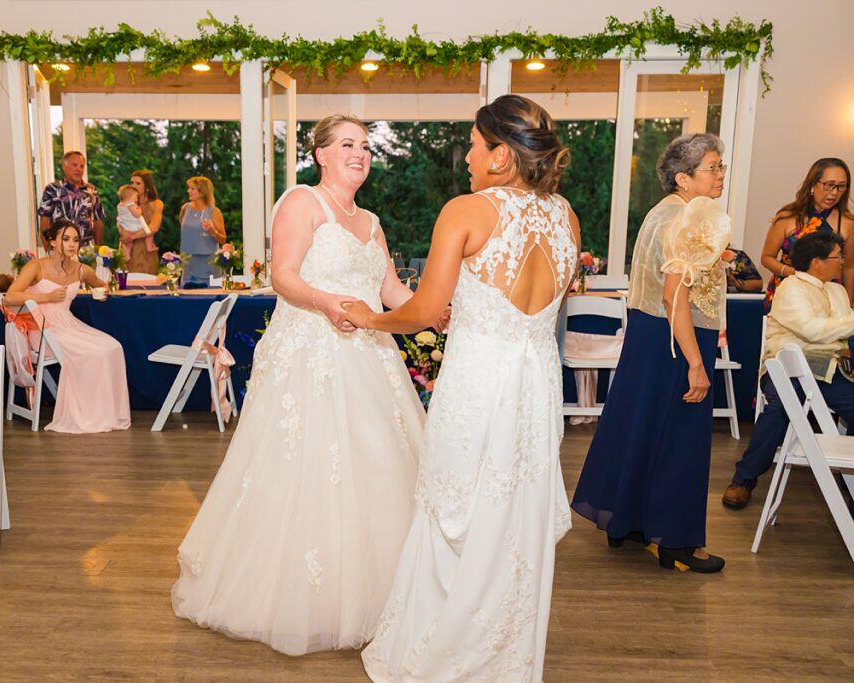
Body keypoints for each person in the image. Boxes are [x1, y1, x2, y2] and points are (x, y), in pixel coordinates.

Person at [172, 115, 428, 656]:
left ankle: (381, 594)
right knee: (307, 467)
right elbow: (283, 275)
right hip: (313, 352)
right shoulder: (301, 202)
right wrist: (326, 302)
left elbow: (389, 289)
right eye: (347, 144)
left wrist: (434, 311)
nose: (359, 153)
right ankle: (296, 597)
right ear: (321, 154)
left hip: (369, 356)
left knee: (377, 465)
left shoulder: (371, 221)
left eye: (365, 145)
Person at [342, 95, 577, 682]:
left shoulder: (466, 211)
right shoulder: (567, 217)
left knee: (456, 509)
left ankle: (440, 653)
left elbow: (424, 310)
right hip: (535, 387)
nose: (467, 156)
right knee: (514, 516)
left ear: (500, 155)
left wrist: (368, 318)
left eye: (473, 145)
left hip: (477, 382)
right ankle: (504, 656)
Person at [571, 132, 731, 573]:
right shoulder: (689, 219)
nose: (720, 174)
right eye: (712, 167)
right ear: (684, 177)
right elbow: (674, 295)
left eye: (721, 166)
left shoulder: (662, 212)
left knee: (639, 426)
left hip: (649, 336)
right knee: (682, 439)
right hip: (677, 339)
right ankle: (677, 541)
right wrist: (696, 363)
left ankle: (629, 522)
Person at [723, 232, 854, 508]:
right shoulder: (791, 287)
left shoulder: (838, 291)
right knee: (780, 407)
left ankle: (849, 482)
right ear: (817, 262)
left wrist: (838, 335)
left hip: (829, 370)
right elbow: (812, 330)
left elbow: (834, 334)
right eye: (838, 256)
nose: (843, 261)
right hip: (787, 370)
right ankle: (743, 480)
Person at [4, 219, 130, 434]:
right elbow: (10, 297)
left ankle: (105, 413)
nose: (72, 244)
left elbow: (103, 285)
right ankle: (87, 415)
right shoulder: (36, 266)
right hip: (42, 328)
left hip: (69, 323)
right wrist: (46, 297)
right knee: (94, 352)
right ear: (53, 242)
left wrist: (101, 293)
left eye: (76, 240)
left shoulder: (82, 270)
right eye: (66, 239)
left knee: (113, 347)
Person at [761, 158, 853, 309]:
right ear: (812, 184)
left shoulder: (848, 222)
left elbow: (849, 267)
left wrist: (847, 305)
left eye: (841, 186)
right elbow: (766, 258)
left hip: (829, 298)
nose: (834, 192)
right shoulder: (787, 216)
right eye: (829, 185)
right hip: (789, 295)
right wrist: (791, 272)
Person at [37, 151, 105, 248]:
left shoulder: (92, 190)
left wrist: (97, 249)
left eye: (81, 166)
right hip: (61, 248)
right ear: (64, 166)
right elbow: (45, 222)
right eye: (74, 165)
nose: (78, 169)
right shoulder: (52, 189)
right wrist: (48, 249)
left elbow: (98, 221)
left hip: (87, 249)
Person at [178, 176, 225, 287]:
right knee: (186, 291)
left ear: (202, 192)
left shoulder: (214, 212)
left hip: (208, 263)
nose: (188, 191)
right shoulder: (185, 208)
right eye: (189, 188)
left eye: (192, 188)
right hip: (188, 262)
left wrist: (212, 232)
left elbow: (223, 239)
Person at [118, 169, 163, 275]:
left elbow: (154, 227)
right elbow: (120, 222)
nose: (134, 186)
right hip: (127, 249)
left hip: (145, 250)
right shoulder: (126, 203)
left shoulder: (156, 204)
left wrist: (132, 237)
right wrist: (122, 232)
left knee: (147, 281)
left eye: (138, 183)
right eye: (132, 183)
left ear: (147, 186)